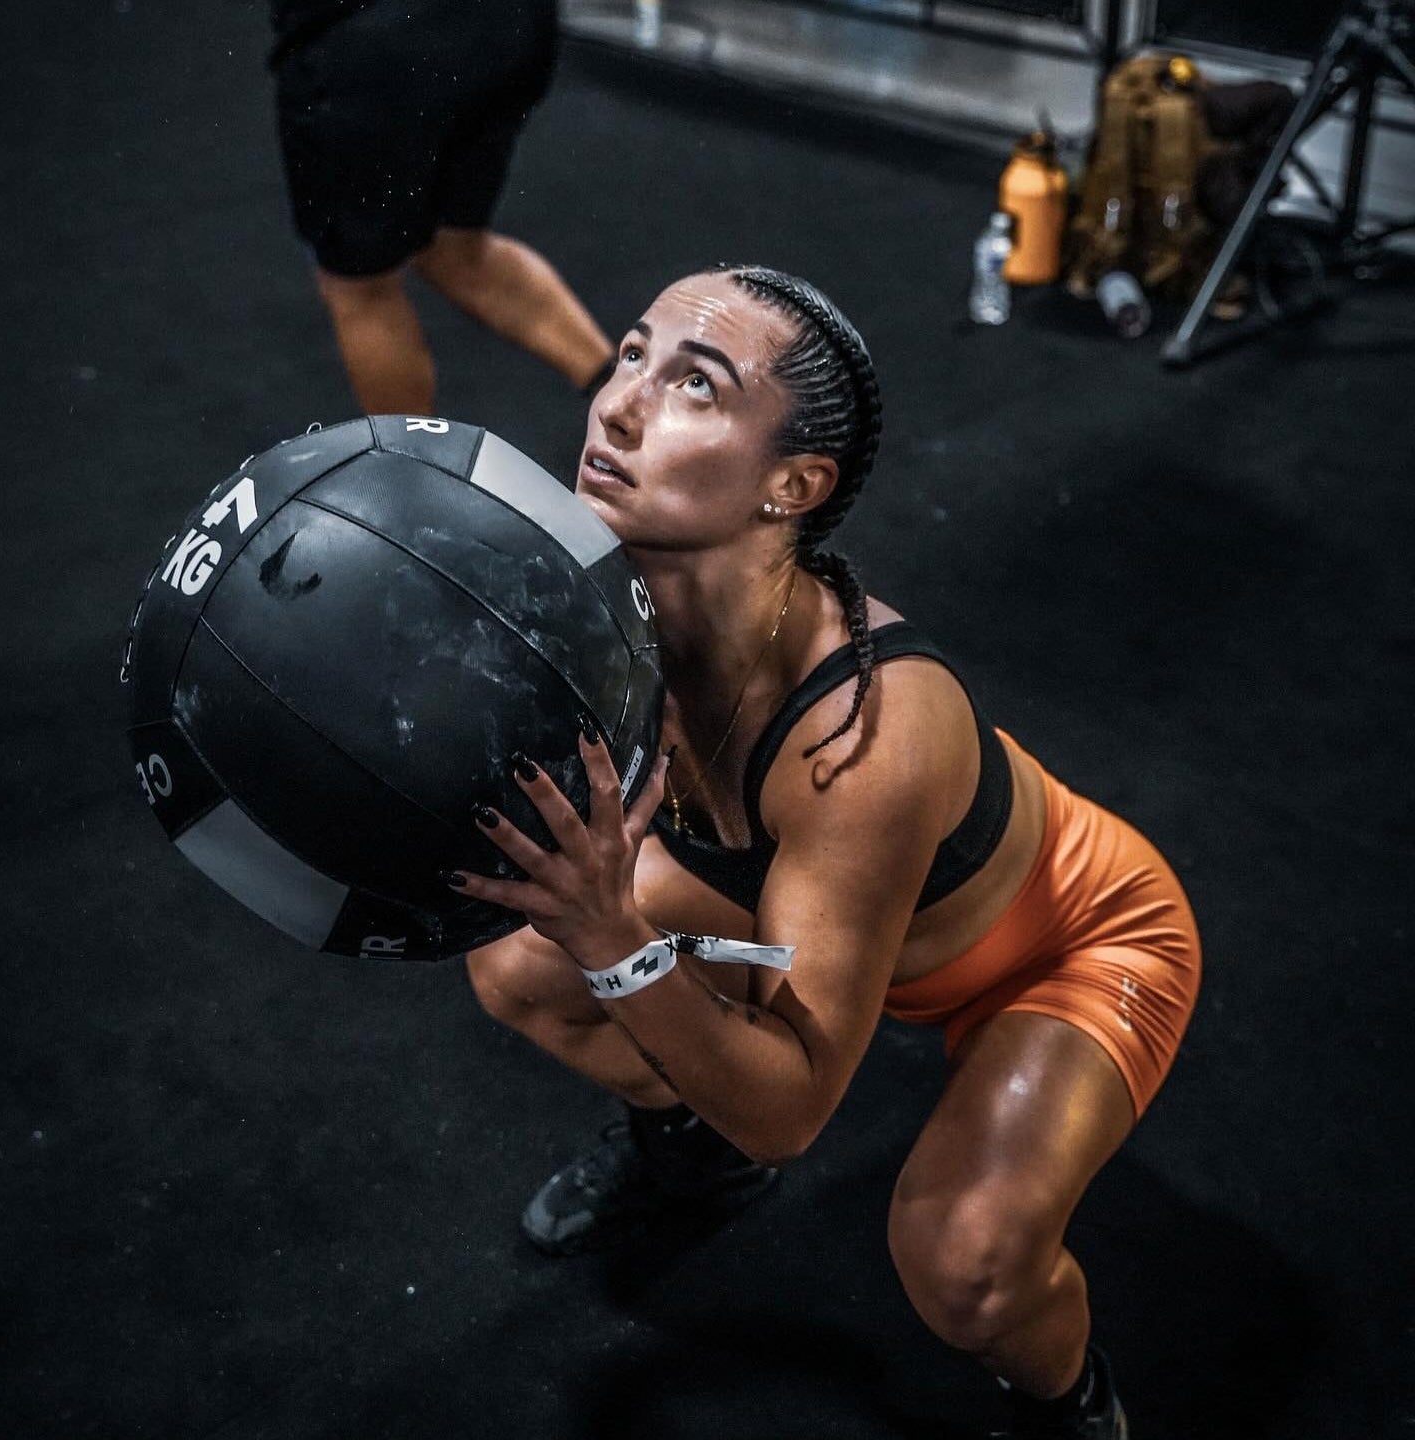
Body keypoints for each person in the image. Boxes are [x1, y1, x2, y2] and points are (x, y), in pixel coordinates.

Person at [449, 265, 1201, 1438]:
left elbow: (794, 1110)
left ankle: (1071, 1405)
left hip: (1068, 946)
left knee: (965, 1269)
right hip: (826, 898)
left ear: (794, 484)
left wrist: (615, 932)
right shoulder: (608, 597)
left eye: (693, 385)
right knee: (516, 967)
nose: (618, 403)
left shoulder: (867, 741)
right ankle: (692, 1155)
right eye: (633, 354)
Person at [267, 0, 614, 414]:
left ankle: (415, 473)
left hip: (371, 45)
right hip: (509, 24)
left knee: (360, 288)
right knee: (456, 250)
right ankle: (631, 401)